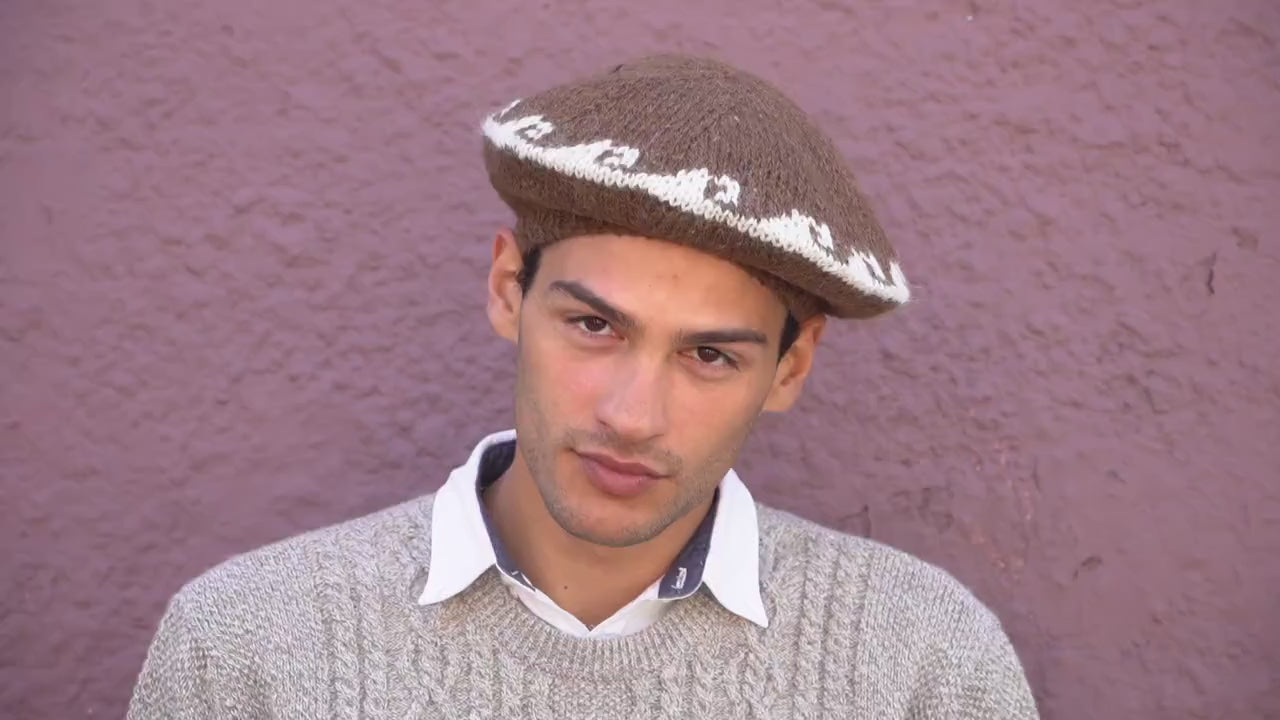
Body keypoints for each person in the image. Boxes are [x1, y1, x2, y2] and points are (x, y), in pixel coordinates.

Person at [127, 54, 1039, 718]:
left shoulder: (924, 666)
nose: (631, 416)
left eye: (709, 356)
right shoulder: (246, 650)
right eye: (595, 327)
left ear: (790, 368)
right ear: (506, 290)